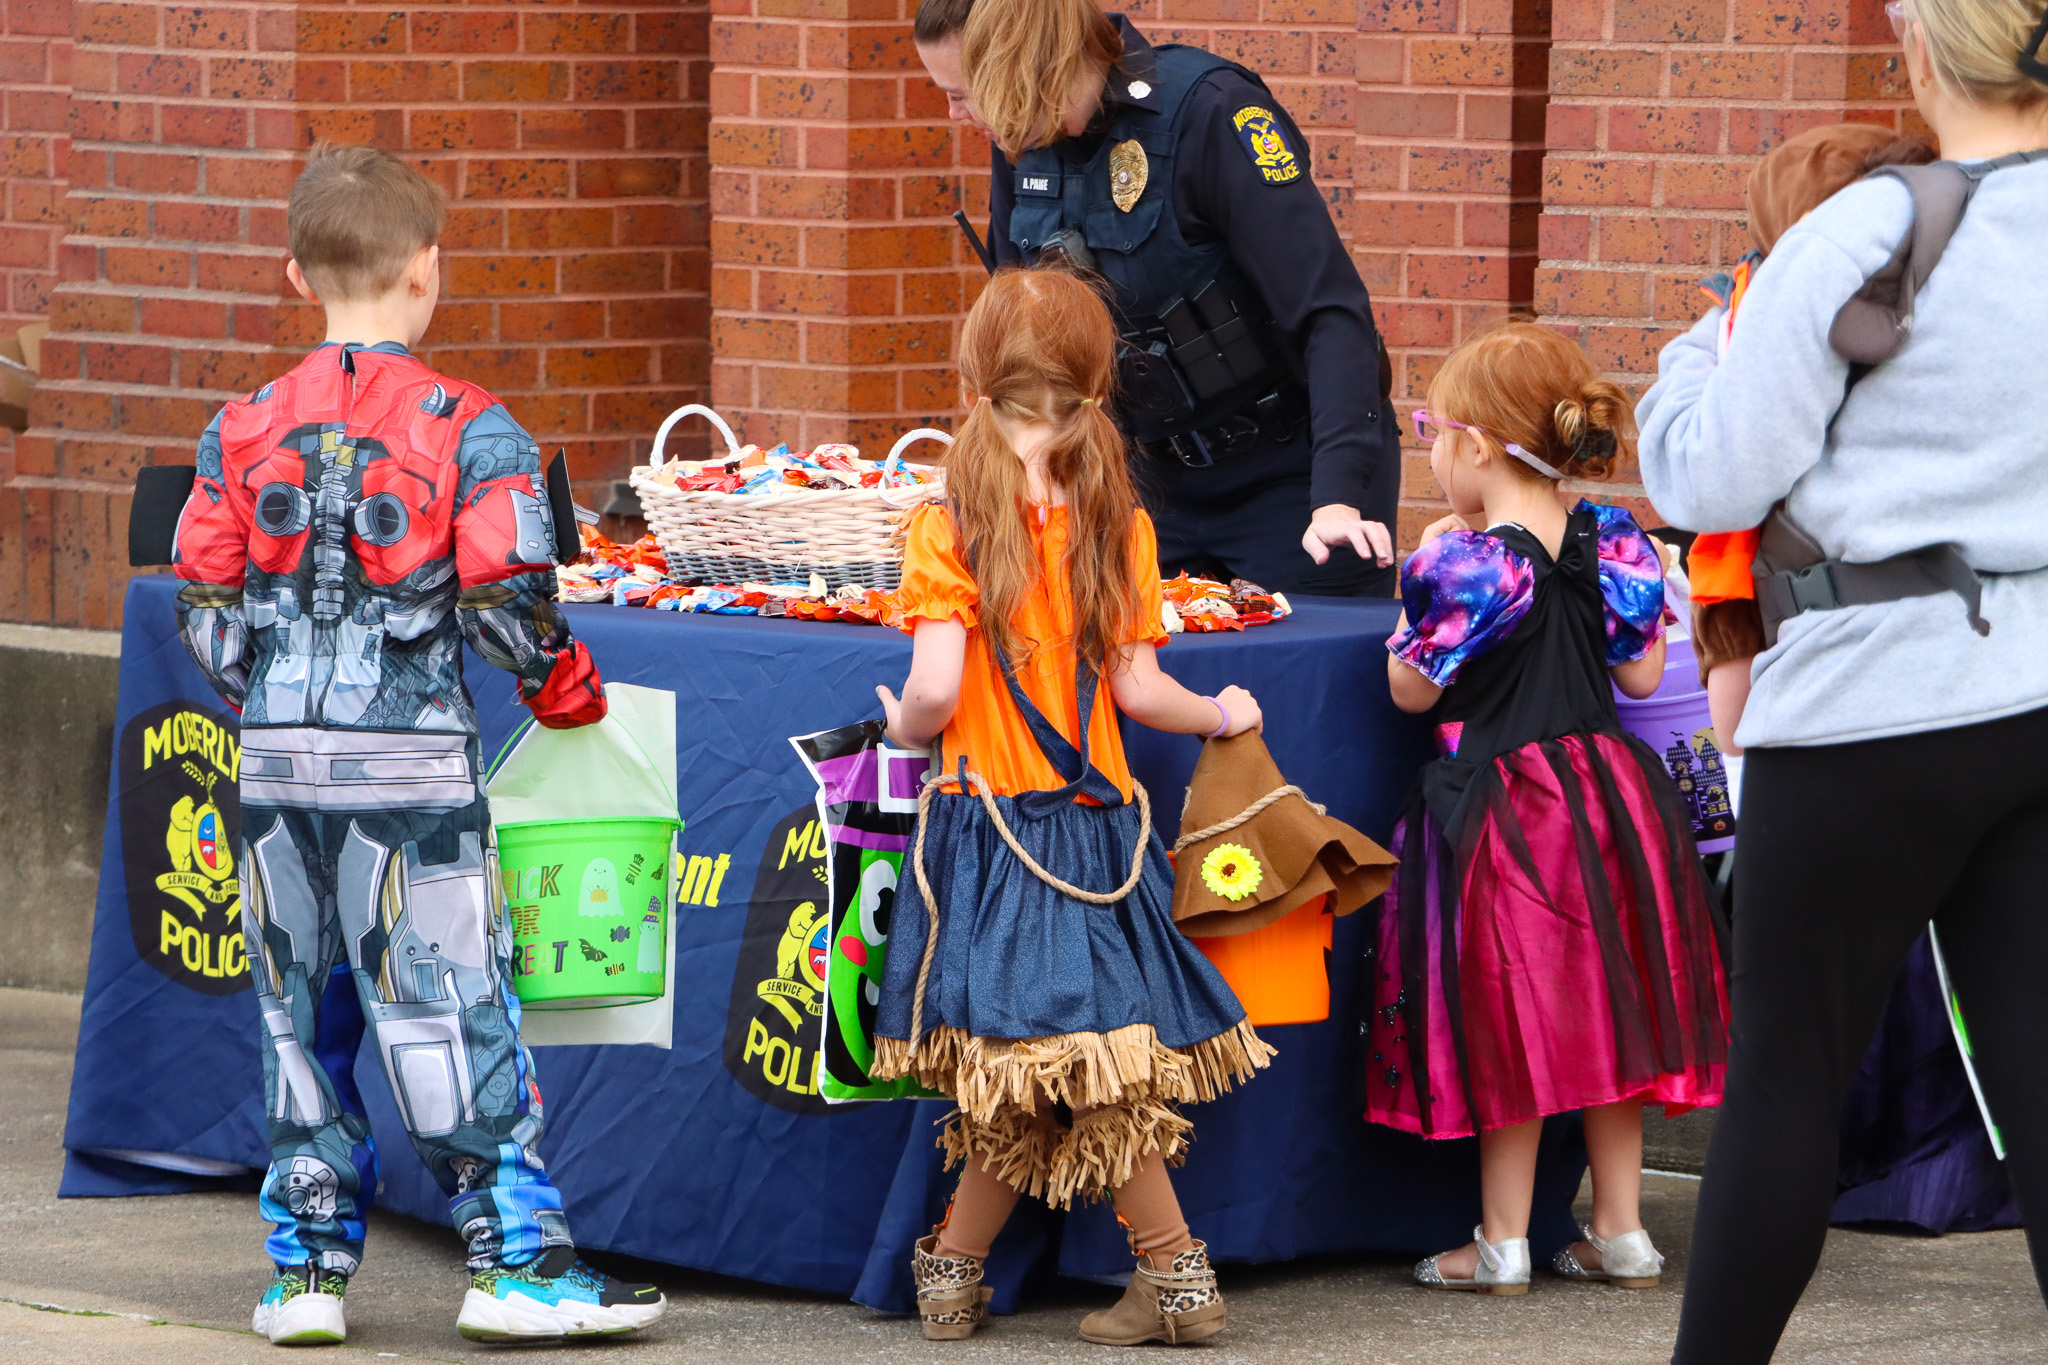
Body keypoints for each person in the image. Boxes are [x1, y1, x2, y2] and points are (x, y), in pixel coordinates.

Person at [170, 145, 665, 1348]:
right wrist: (566, 695)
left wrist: (273, 703)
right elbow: (508, 602)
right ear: (428, 270)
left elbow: (203, 604)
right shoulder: (471, 427)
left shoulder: (239, 430)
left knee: (295, 1020)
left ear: (297, 275)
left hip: (278, 771)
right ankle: (517, 1263)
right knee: (449, 1010)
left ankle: (303, 1281)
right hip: (414, 779)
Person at [1637, 0, 2048, 1352]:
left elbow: (1710, 478)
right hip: (2038, 692)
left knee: (1786, 1085)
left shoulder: (1867, 232)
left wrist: (1703, 349)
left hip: (1874, 701)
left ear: (1922, 54)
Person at [870, 266, 1273, 1346]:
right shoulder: (1117, 521)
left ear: (972, 375)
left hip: (992, 835)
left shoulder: (943, 520)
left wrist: (900, 727)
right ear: (1098, 382)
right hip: (1093, 832)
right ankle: (959, 1271)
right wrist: (1220, 711)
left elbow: (935, 693)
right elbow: (1142, 690)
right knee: (1041, 1072)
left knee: (1062, 1065)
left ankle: (1163, 1281)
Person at [1363, 320, 1731, 1296]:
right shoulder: (1615, 539)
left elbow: (1411, 690)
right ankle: (1619, 1235)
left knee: (1509, 1019)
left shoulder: (1468, 564)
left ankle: (1500, 1241)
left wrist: (1419, 589)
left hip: (1505, 811)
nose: (1431, 452)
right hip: (1612, 800)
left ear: (1474, 444)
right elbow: (1643, 672)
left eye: (1429, 433)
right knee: (1612, 1017)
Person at [912, 0, 1400, 597]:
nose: (954, 113)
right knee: (1137, 688)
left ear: (1020, 68)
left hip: (1291, 485)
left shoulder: (1212, 112)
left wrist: (1339, 497)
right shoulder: (1020, 135)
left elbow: (1330, 312)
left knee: (1290, 682)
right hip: (1140, 486)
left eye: (963, 93)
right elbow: (1024, 342)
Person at [1683, 123, 1935, 754]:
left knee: (1741, 715)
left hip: (1771, 554)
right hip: (1768, 545)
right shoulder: (1767, 295)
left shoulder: (1770, 292)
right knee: (1739, 715)